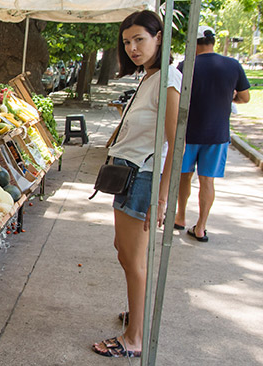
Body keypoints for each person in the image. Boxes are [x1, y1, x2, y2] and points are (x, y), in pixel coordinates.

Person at [92, 10, 181, 358]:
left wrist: (161, 199)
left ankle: (134, 338)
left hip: (143, 177)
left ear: (159, 37)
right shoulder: (151, 76)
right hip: (129, 172)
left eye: (140, 39)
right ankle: (137, 316)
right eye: (127, 42)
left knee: (133, 259)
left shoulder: (168, 79)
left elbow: (177, 142)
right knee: (125, 251)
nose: (132, 47)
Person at [173, 26, 250, 242]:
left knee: (183, 177)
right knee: (208, 182)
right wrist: (229, 98)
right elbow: (245, 98)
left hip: (187, 133)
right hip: (217, 134)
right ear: (213, 42)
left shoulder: (186, 65)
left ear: (194, 43)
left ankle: (180, 217)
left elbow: (176, 96)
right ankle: (201, 227)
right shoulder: (233, 66)